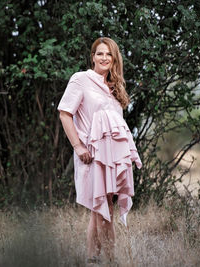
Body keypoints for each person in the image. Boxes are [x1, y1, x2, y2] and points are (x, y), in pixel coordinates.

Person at [57, 37, 142, 263]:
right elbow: (65, 113)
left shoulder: (115, 89)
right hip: (91, 155)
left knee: (102, 210)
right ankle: (111, 260)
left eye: (109, 54)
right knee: (103, 210)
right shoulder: (81, 80)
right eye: (100, 53)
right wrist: (78, 146)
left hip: (111, 158)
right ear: (93, 57)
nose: (104, 58)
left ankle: (93, 259)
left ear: (114, 59)